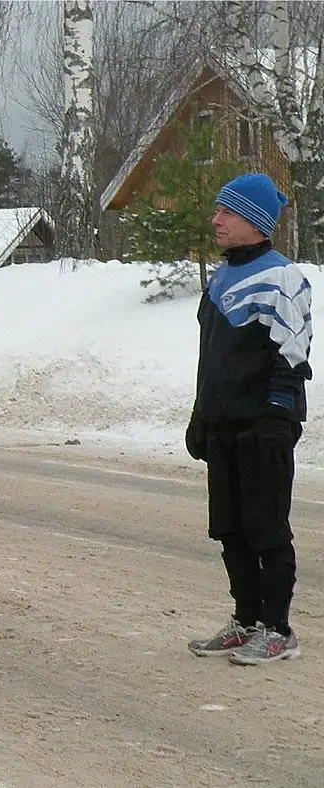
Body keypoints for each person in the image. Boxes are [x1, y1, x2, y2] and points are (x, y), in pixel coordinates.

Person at [185, 173, 312, 666]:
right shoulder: (220, 277)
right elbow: (211, 356)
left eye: (227, 212)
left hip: (263, 427)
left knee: (267, 530)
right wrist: (201, 413)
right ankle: (246, 621)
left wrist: (279, 416)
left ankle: (278, 631)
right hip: (223, 425)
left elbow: (292, 355)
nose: (215, 220)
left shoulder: (283, 278)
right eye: (217, 210)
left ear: (255, 223)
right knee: (231, 529)